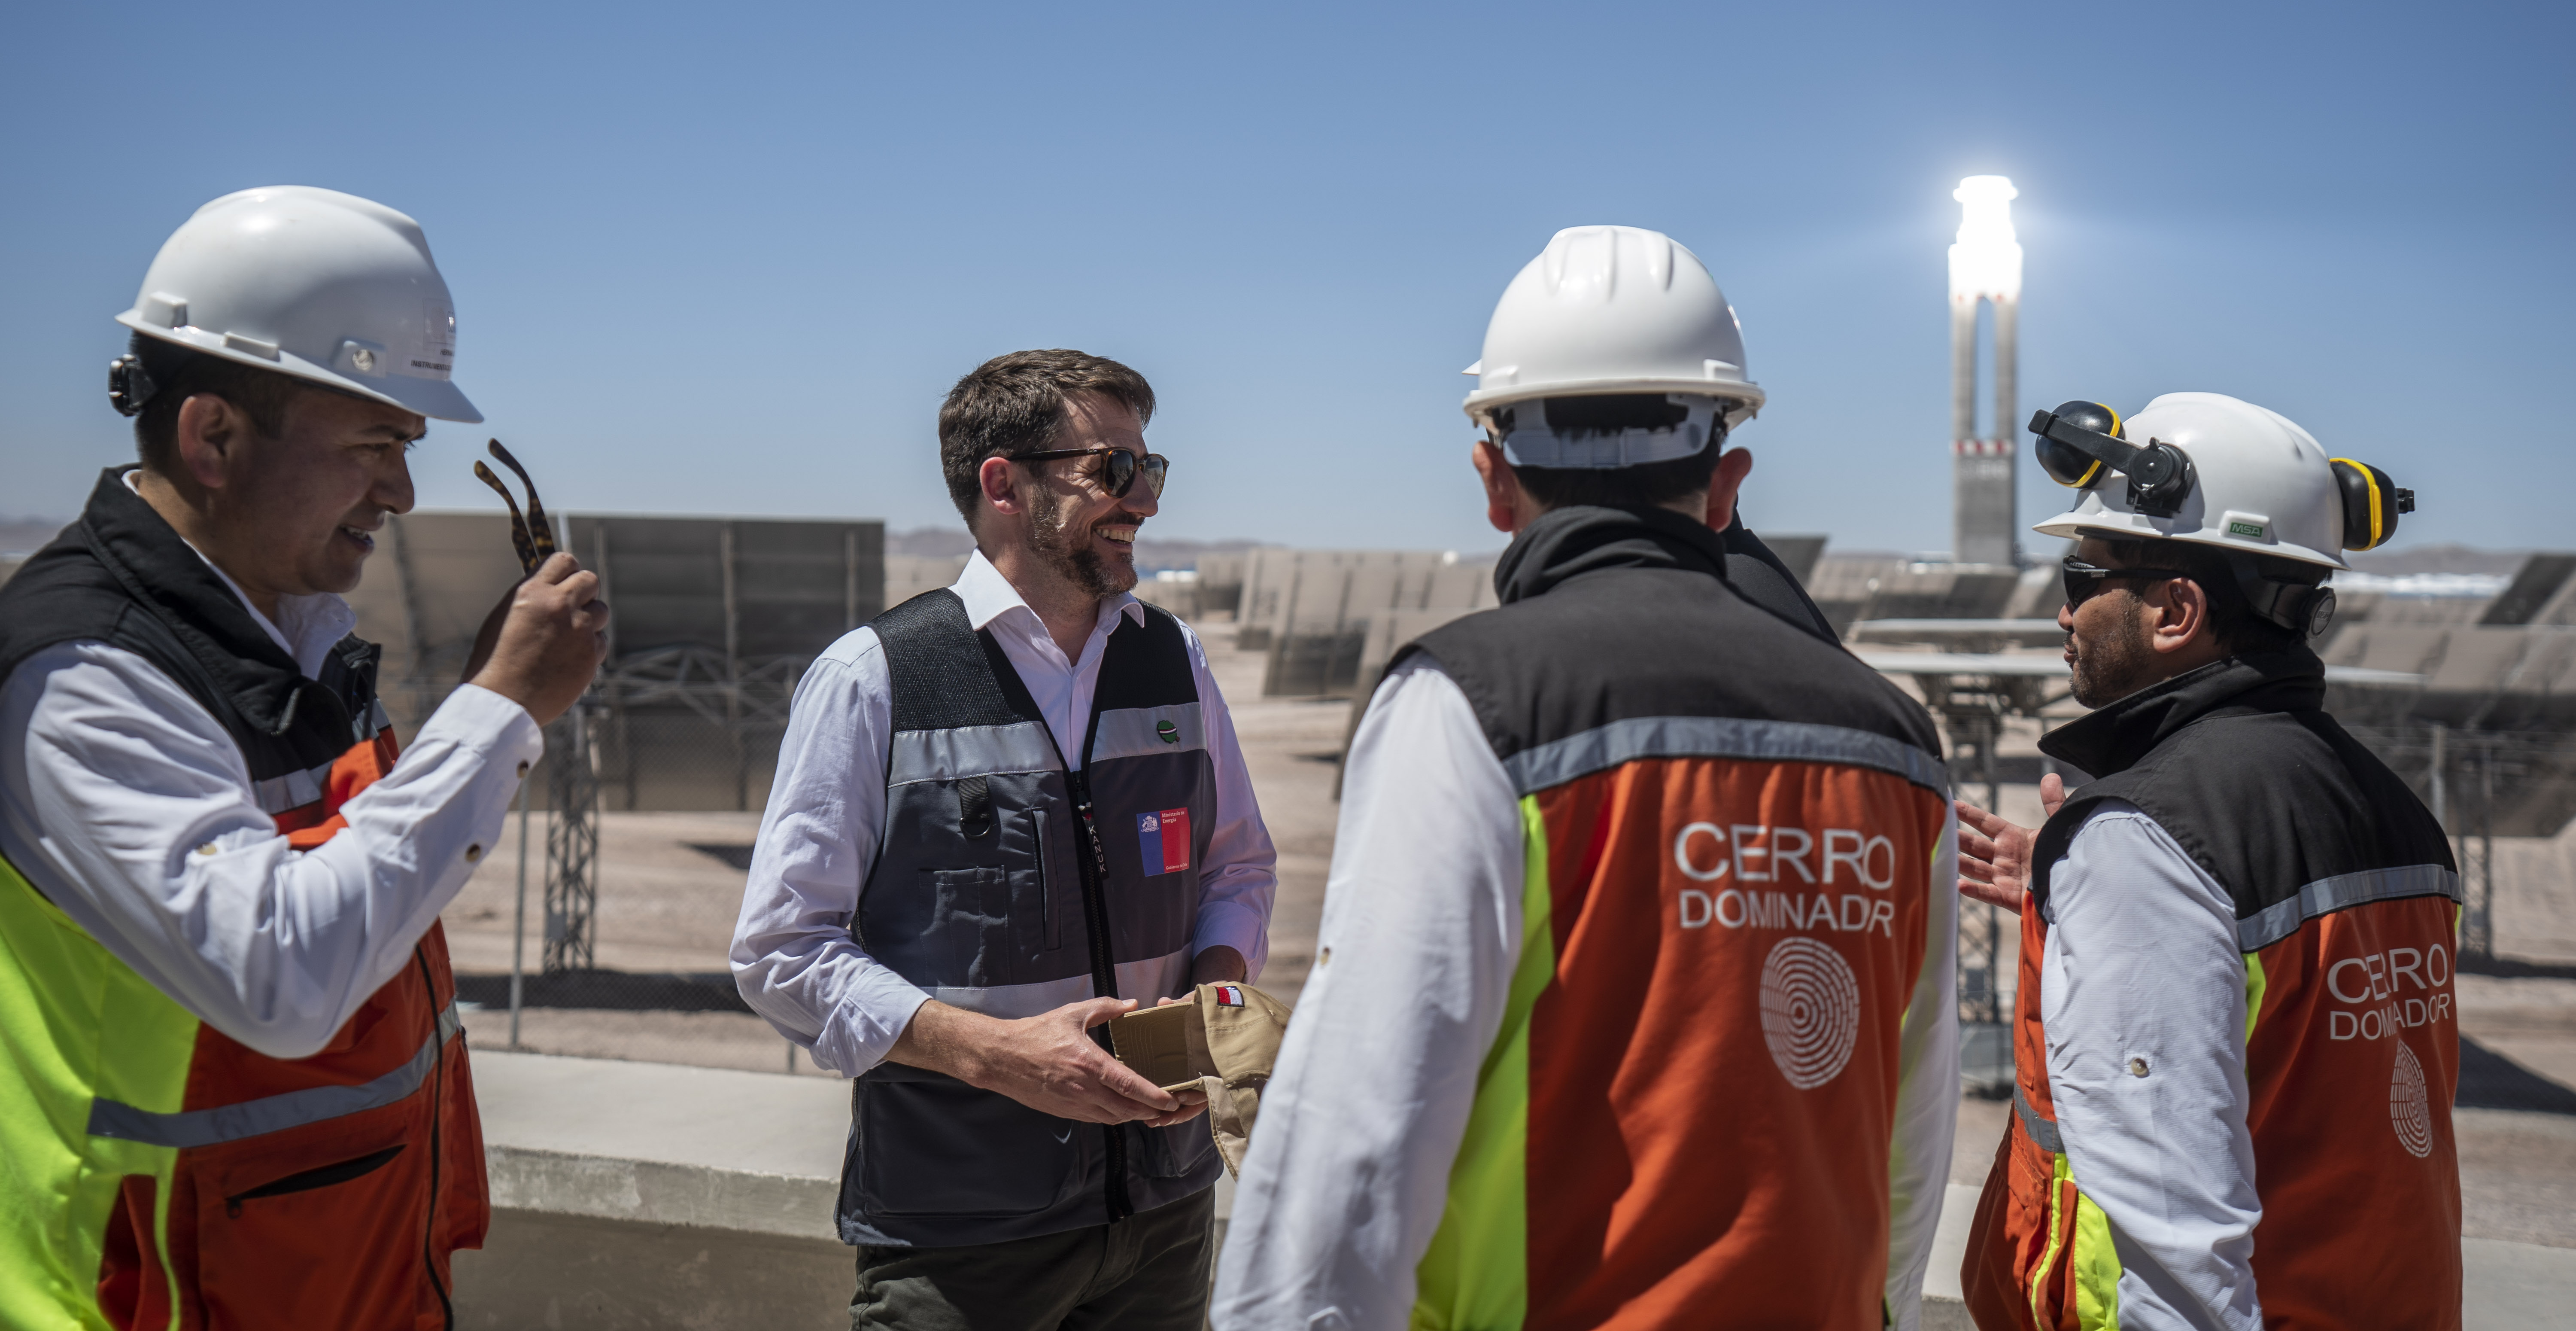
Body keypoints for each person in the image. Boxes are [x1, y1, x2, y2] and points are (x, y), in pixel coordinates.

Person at [1214, 225, 1960, 1331]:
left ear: (1492, 475)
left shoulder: (1470, 700)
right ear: (1727, 485)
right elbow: (1913, 1125)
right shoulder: (1898, 743)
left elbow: (1361, 1130)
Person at [0, 186, 607, 1329]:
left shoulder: (285, 637)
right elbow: (279, 978)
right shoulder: (87, 677)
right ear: (213, 437)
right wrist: (497, 713)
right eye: (376, 445)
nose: (405, 492)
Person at [732, 349, 1278, 1331]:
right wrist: (997, 1054)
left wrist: (1220, 988)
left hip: (1163, 1214)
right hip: (961, 1235)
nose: (1142, 501)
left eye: (1150, 471)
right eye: (1114, 470)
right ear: (1004, 484)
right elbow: (783, 949)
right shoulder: (876, 676)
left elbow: (1237, 862)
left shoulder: (1173, 657)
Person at [1956, 393, 2458, 1330]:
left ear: (2177, 609)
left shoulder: (2151, 835)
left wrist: (2122, 870)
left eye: (2082, 577)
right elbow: (2297, 1040)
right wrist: (2081, 889)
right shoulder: (2399, 815)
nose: (2064, 613)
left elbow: (2175, 1227)